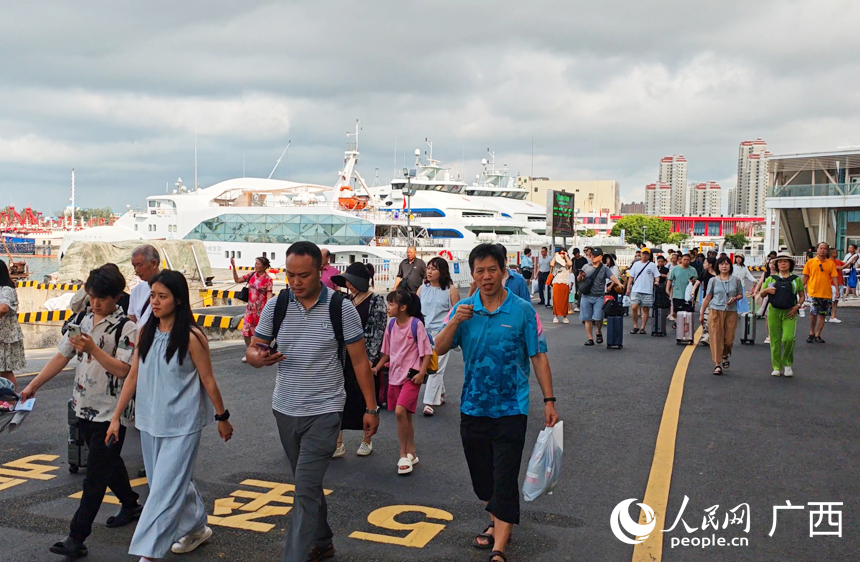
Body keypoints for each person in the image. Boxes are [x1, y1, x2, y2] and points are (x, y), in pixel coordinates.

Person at [246, 241, 379, 562]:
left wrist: (371, 409)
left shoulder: (340, 308)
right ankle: (323, 539)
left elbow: (360, 362)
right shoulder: (278, 305)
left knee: (303, 490)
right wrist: (258, 358)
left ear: (321, 271)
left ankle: (295, 555)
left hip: (325, 411)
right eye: (290, 275)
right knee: (307, 483)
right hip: (285, 409)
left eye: (303, 275)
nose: (296, 282)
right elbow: (254, 348)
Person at [434, 243, 558, 562]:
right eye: (480, 271)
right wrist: (454, 322)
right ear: (472, 274)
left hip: (511, 408)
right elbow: (439, 349)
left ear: (504, 271)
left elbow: (538, 355)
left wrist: (549, 400)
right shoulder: (464, 309)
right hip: (473, 407)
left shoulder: (522, 310)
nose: (486, 276)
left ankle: (500, 544)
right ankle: (495, 517)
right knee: (483, 480)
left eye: (493, 270)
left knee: (504, 476)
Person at [106, 270, 233, 560]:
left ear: (178, 300)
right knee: (170, 481)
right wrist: (116, 417)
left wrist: (222, 417)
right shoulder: (145, 332)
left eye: (162, 296)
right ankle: (196, 526)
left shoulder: (192, 337)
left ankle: (148, 554)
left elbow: (208, 380)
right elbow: (133, 376)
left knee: (163, 490)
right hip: (149, 421)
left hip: (182, 424)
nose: (155, 302)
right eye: (152, 296)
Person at [20, 265, 141, 560]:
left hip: (112, 414)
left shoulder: (127, 329)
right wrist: (33, 385)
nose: (95, 303)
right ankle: (130, 502)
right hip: (82, 405)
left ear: (116, 297)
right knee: (105, 462)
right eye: (91, 296)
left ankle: (76, 537)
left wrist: (95, 349)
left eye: (102, 298)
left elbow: (125, 371)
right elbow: (62, 356)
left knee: (95, 476)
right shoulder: (82, 320)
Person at [372, 290, 432, 475]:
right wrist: (377, 368)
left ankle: (403, 454)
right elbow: (387, 352)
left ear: (403, 307)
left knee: (400, 412)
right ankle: (411, 452)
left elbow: (427, 351)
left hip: (411, 377)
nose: (388, 307)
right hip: (394, 376)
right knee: (406, 416)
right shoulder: (391, 326)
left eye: (391, 304)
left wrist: (422, 374)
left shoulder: (416, 325)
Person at [332, 262, 387, 456]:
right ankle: (338, 442)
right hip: (343, 357)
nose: (348, 284)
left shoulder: (376, 301)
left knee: (365, 398)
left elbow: (378, 330)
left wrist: (370, 359)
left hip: (363, 357)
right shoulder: (346, 300)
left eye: (351, 281)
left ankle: (367, 439)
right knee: (340, 397)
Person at [417, 257, 460, 416]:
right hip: (424, 332)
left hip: (442, 333)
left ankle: (429, 402)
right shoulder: (422, 288)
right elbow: (416, 310)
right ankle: (440, 393)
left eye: (433, 269)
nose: (429, 271)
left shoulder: (451, 290)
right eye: (428, 268)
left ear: (442, 272)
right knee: (430, 365)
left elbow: (455, 313)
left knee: (436, 367)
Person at [758, 252, 805, 377]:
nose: (783, 263)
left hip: (790, 311)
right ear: (777, 264)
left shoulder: (796, 280)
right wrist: (766, 290)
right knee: (775, 339)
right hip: (774, 311)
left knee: (788, 338)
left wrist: (797, 306)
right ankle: (776, 366)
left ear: (790, 264)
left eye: (785, 261)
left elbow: (802, 295)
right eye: (780, 261)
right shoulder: (771, 279)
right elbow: (761, 295)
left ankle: (788, 363)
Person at [700, 256, 744, 375]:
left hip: (731, 312)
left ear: (730, 266)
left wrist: (735, 298)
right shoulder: (713, 281)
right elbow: (708, 297)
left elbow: (741, 294)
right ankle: (717, 364)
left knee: (728, 339)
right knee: (715, 338)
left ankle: (725, 355)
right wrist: (702, 312)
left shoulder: (736, 280)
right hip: (715, 311)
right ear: (718, 267)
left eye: (726, 264)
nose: (724, 266)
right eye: (721, 264)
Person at [231, 255, 274, 363]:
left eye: (258, 264)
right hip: (250, 309)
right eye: (255, 263)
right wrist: (234, 267)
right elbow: (237, 280)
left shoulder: (268, 279)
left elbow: (269, 295)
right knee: (246, 331)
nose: (256, 266)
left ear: (264, 266)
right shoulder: (251, 275)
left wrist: (268, 309)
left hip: (261, 310)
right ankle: (250, 351)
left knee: (259, 333)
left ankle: (259, 352)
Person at [577, 247, 623, 346]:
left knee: (598, 317)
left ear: (600, 257)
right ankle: (590, 338)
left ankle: (598, 331)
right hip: (586, 295)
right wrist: (580, 277)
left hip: (599, 296)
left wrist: (619, 283)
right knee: (587, 318)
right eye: (592, 255)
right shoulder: (586, 266)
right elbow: (579, 279)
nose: (593, 257)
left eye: (595, 256)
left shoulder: (604, 268)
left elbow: (612, 277)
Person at [801, 242, 838, 344]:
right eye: (820, 248)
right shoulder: (810, 262)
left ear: (827, 251)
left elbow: (834, 277)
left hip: (826, 293)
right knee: (813, 314)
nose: (822, 250)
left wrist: (837, 289)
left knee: (822, 314)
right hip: (813, 292)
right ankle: (811, 333)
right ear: (817, 250)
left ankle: (818, 334)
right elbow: (805, 277)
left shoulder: (831, 263)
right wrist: (800, 288)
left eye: (825, 249)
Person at [0, 260, 26, 390]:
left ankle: (10, 399)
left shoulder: (6, 290)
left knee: (5, 371)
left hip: (5, 337)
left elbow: (3, 308)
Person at [626, 249, 660, 335]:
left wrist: (656, 281)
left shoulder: (652, 265)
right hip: (636, 289)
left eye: (646, 254)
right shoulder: (636, 264)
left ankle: (642, 327)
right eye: (643, 254)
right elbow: (631, 277)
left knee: (645, 309)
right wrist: (628, 288)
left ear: (649, 255)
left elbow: (657, 276)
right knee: (634, 307)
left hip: (647, 290)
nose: (645, 255)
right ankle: (635, 325)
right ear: (640, 254)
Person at [128, 244, 161, 327]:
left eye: (140, 265)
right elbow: (131, 320)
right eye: (134, 266)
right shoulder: (137, 291)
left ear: (154, 264)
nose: (136, 270)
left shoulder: (170, 288)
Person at [666, 253, 699, 325]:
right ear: (681, 260)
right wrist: (667, 289)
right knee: (676, 311)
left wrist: (693, 281)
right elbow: (670, 279)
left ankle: (683, 325)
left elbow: (696, 281)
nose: (686, 261)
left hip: (688, 295)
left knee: (687, 311)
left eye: (688, 260)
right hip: (677, 294)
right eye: (684, 260)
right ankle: (677, 322)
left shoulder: (693, 270)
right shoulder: (676, 269)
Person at [549, 248, 572, 323]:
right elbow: (551, 264)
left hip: (565, 281)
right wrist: (555, 256)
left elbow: (570, 264)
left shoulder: (567, 260)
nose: (562, 255)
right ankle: (555, 315)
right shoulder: (557, 260)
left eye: (563, 253)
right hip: (557, 280)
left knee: (565, 299)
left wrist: (566, 256)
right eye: (560, 253)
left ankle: (564, 316)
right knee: (556, 299)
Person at [698, 257, 717, 344]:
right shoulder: (704, 274)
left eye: (705, 263)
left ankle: (713, 336)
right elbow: (698, 282)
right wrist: (692, 291)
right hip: (707, 298)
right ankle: (706, 336)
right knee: (705, 317)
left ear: (710, 264)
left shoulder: (718, 275)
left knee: (714, 319)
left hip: (717, 300)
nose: (704, 264)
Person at [827, 247, 844, 323]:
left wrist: (852, 261)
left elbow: (844, 265)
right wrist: (850, 262)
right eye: (835, 252)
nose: (837, 253)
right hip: (832, 284)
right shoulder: (830, 262)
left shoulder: (838, 261)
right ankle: (823, 315)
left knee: (836, 301)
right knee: (829, 300)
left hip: (839, 283)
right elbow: (841, 267)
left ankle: (833, 316)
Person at [570, 248, 588, 313]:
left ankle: (578, 305)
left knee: (580, 291)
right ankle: (570, 306)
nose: (575, 255)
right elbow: (571, 267)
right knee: (571, 291)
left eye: (575, 254)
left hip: (581, 278)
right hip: (573, 277)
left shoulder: (583, 260)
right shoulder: (573, 260)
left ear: (578, 253)